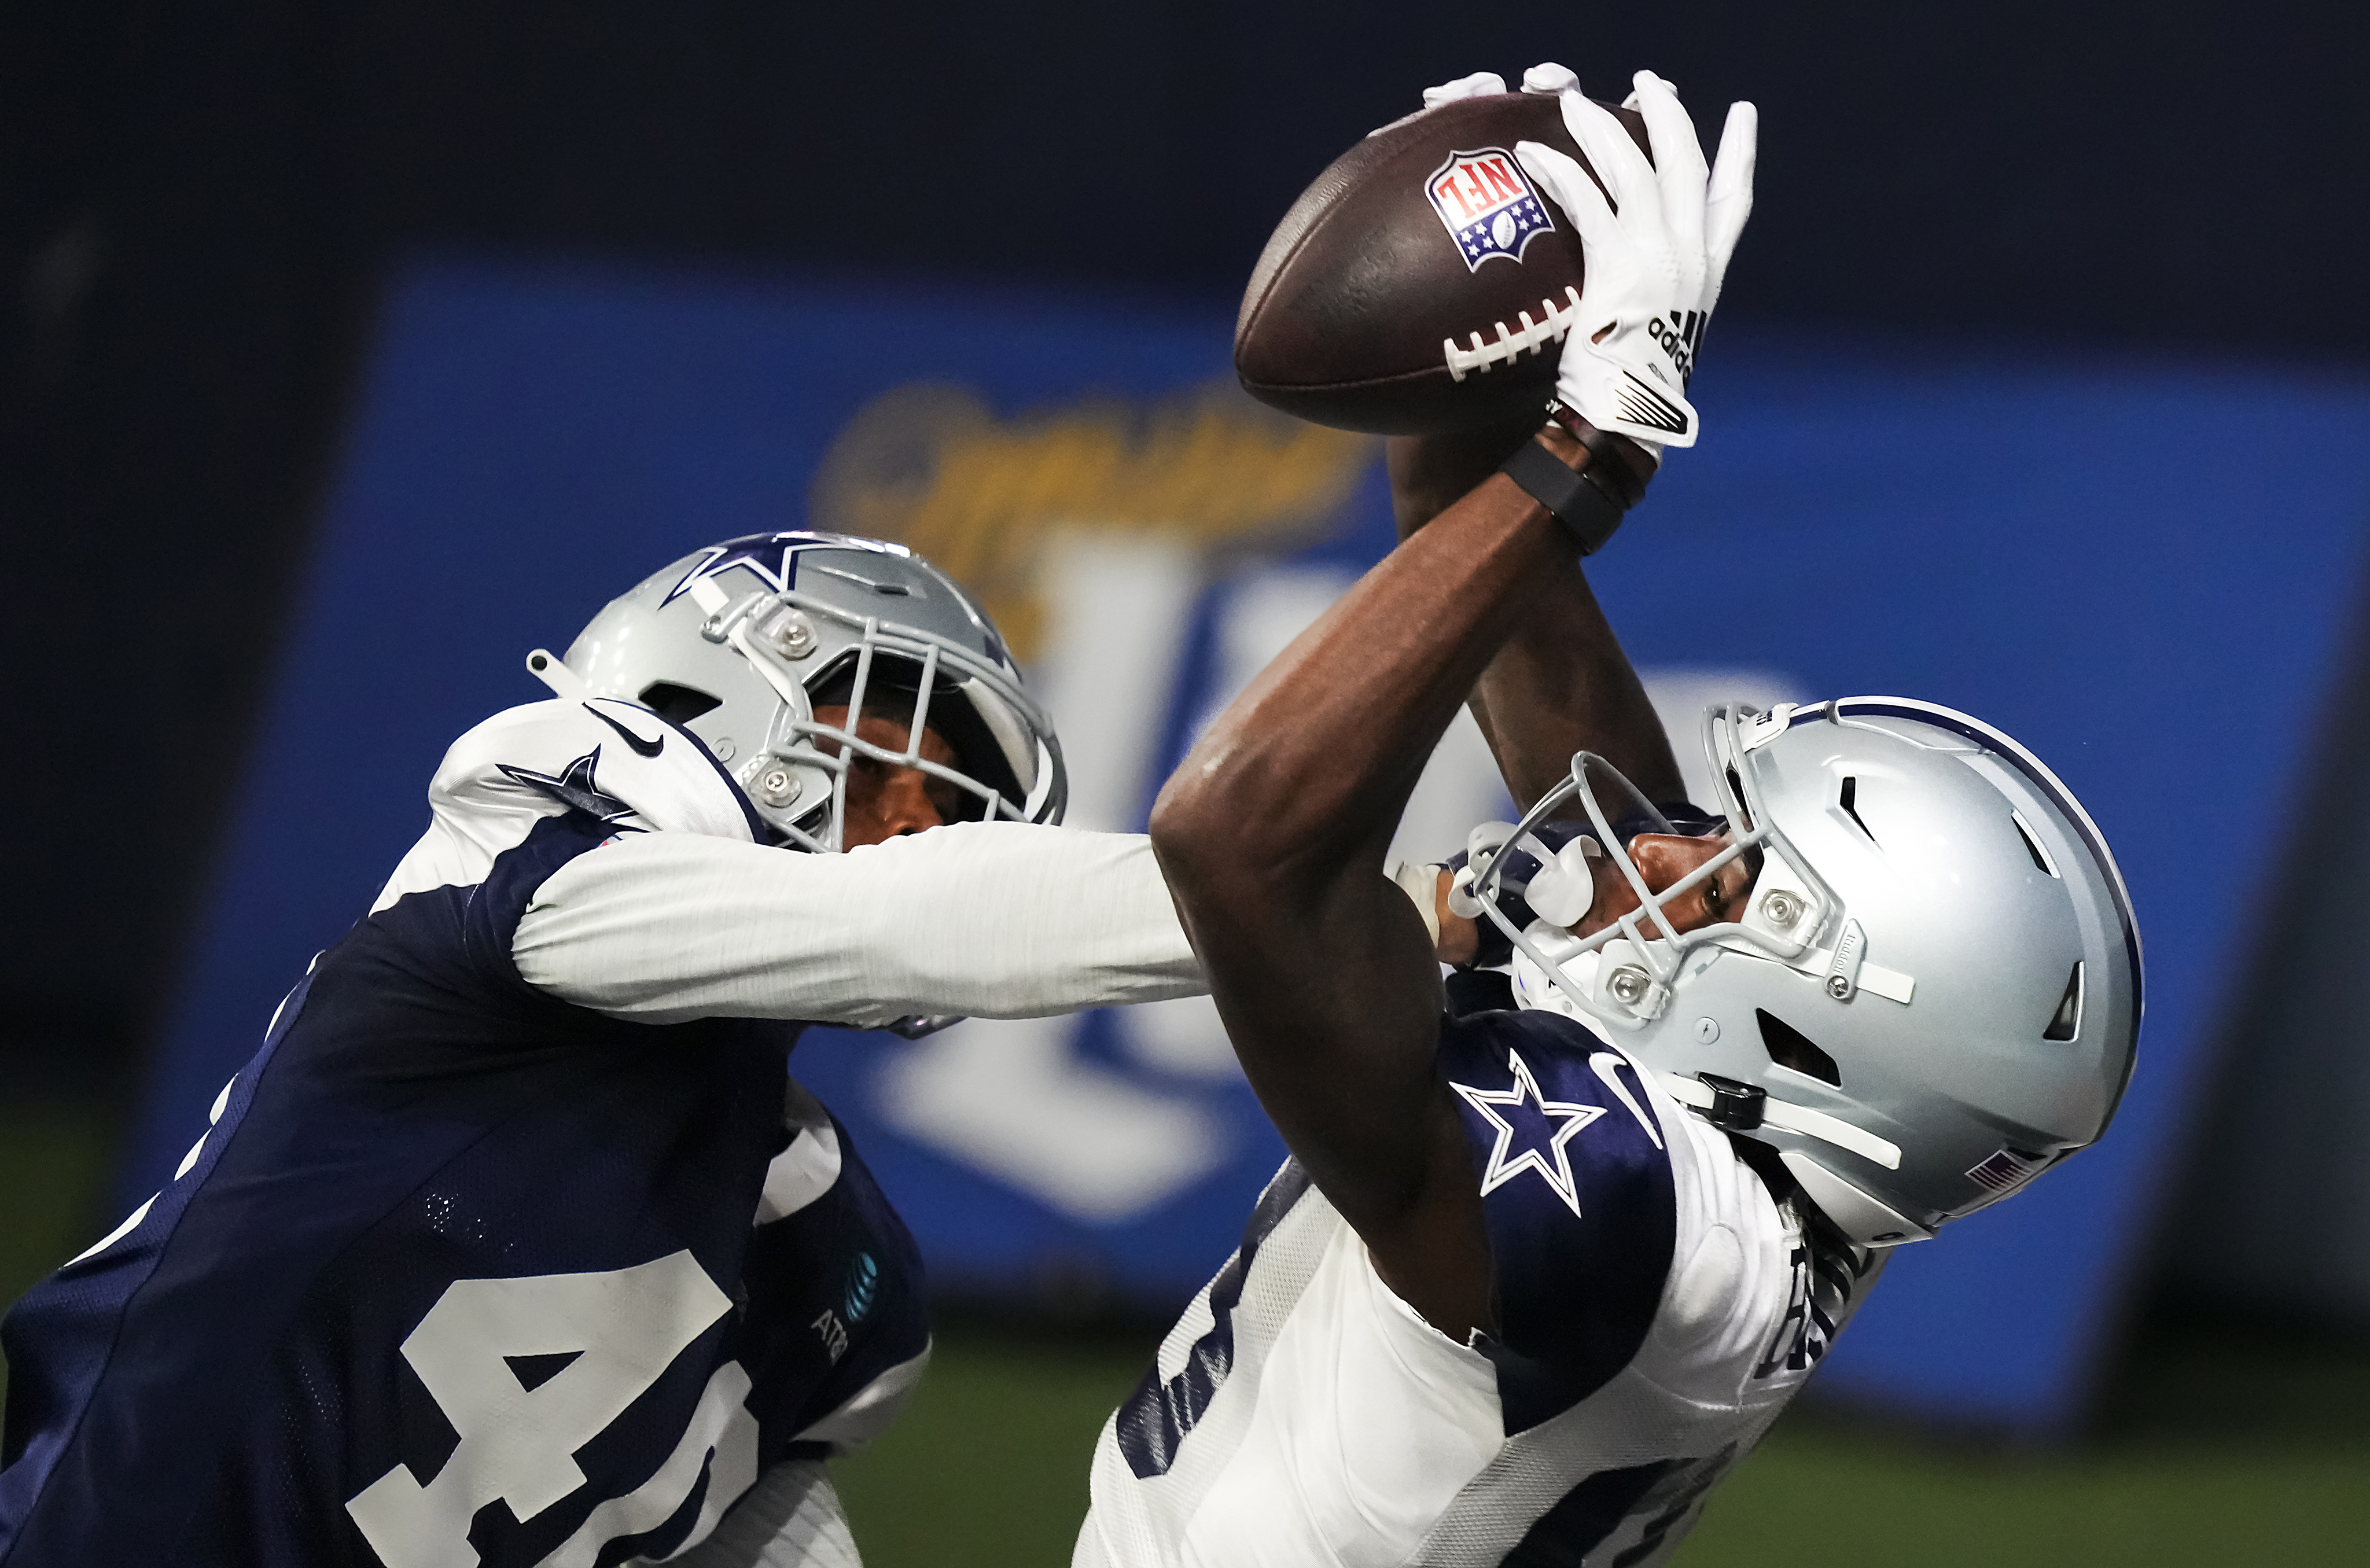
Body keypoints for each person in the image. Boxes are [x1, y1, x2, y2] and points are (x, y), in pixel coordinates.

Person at [1075, 67, 2139, 1567]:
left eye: (1722, 880)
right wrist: (1505, 305)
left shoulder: (1636, 1224)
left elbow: (1233, 836)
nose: (1657, 848)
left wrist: (1591, 453)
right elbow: (1489, 570)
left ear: (1816, 1028)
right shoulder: (1766, 1150)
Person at [0, 532, 1204, 1566]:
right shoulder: (512, 857)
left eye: (942, 814)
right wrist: (1287, 903)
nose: (910, 819)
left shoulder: (812, 1241)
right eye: (886, 748)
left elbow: (762, 1528)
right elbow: (899, 918)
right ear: (707, 680)